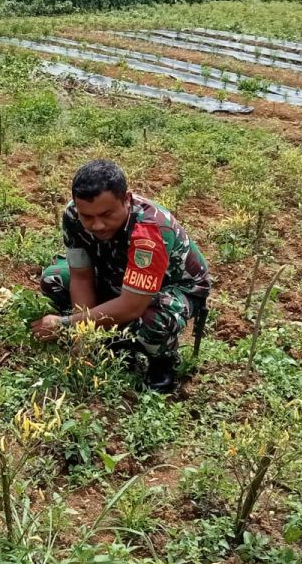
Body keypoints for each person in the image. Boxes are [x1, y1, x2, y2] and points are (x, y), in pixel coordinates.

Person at [31, 160, 211, 392]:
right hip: (117, 275)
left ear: (126, 199)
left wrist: (65, 325)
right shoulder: (73, 215)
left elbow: (132, 305)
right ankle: (112, 341)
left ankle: (162, 363)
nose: (97, 225)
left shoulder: (150, 230)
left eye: (107, 214)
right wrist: (83, 335)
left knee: (152, 319)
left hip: (173, 287)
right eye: (88, 217)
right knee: (53, 279)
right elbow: (81, 277)